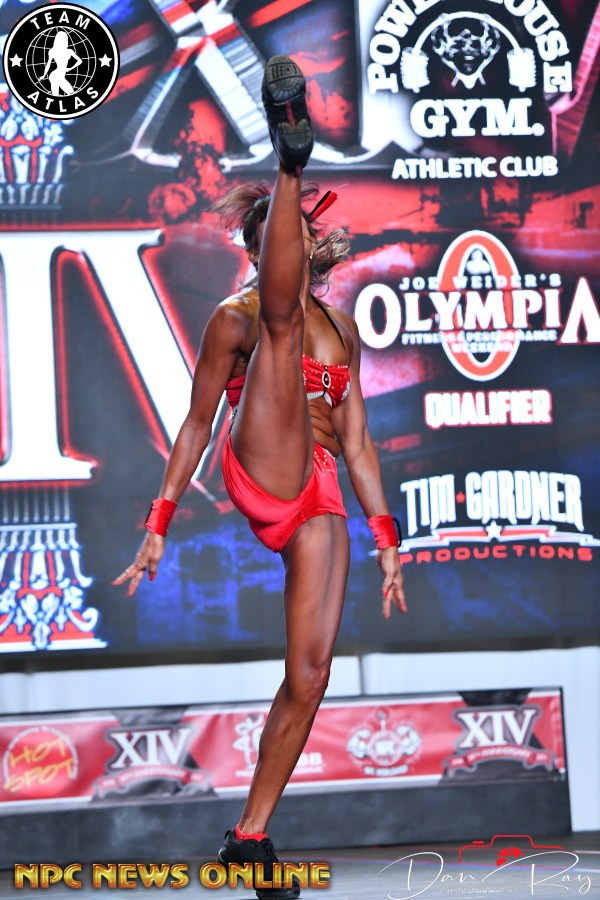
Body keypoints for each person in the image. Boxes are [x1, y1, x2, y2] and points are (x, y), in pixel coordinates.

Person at [114, 55, 406, 899]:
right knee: (278, 326)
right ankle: (290, 155)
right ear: (267, 245)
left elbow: (358, 442)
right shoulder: (236, 319)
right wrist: (159, 520)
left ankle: (249, 838)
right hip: (262, 464)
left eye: (302, 227)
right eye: (289, 227)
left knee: (310, 676)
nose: (306, 238)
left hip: (319, 492)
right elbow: (197, 423)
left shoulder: (342, 329)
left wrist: (387, 540)